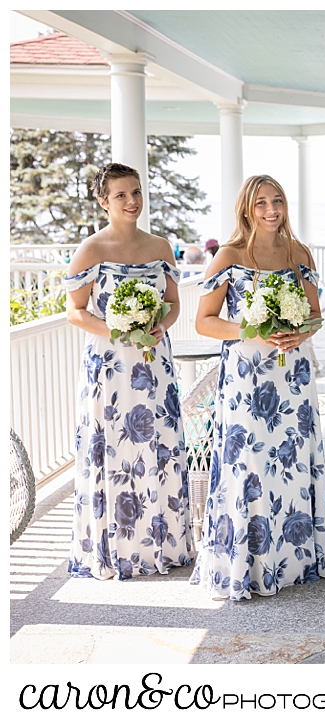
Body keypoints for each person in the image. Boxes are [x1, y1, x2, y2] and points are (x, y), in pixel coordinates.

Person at [189, 174, 325, 600]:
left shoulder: (298, 253)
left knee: (290, 460)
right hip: (246, 376)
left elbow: (314, 315)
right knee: (249, 464)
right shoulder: (229, 256)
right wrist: (250, 329)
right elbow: (204, 321)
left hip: (291, 376)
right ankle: (246, 564)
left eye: (278, 202)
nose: (272, 211)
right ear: (246, 210)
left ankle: (292, 558)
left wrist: (299, 333)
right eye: (262, 204)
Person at [64, 162, 194, 580]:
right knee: (115, 450)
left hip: (154, 363)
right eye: (121, 195)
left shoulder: (160, 246)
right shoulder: (91, 249)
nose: (132, 201)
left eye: (136, 192)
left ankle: (163, 545)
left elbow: (173, 305)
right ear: (103, 201)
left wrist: (160, 325)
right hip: (111, 366)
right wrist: (118, 331)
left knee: (159, 447)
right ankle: (116, 550)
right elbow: (75, 312)